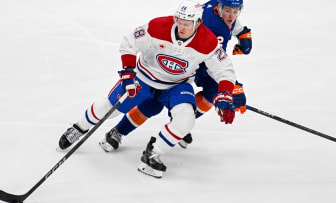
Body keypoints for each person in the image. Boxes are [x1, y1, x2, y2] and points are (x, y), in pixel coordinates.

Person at [59, 0, 237, 178]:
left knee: (186, 119)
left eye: (187, 24)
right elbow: (129, 42)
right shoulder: (158, 26)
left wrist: (225, 93)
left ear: (198, 23)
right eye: (180, 22)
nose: (181, 27)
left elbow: (224, 70)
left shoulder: (209, 41)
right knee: (110, 107)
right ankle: (78, 127)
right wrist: (128, 72)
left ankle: (152, 153)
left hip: (176, 86)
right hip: (144, 78)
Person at [98, 0, 253, 152]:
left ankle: (178, 126)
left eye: (236, 11)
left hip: (195, 62)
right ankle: (123, 130)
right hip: (192, 64)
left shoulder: (218, 10)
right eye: (228, 10)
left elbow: (231, 27)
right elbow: (213, 60)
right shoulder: (210, 24)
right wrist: (230, 87)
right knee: (155, 103)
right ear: (219, 7)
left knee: (204, 97)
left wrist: (243, 33)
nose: (232, 16)